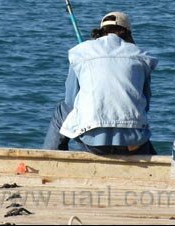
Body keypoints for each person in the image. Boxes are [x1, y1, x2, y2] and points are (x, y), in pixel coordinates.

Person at [43, 12, 158, 155]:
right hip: (132, 144)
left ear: (101, 31)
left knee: (61, 111)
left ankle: (51, 158)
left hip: (94, 143)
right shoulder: (141, 57)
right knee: (137, 128)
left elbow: (71, 102)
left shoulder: (80, 53)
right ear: (128, 33)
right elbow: (145, 105)